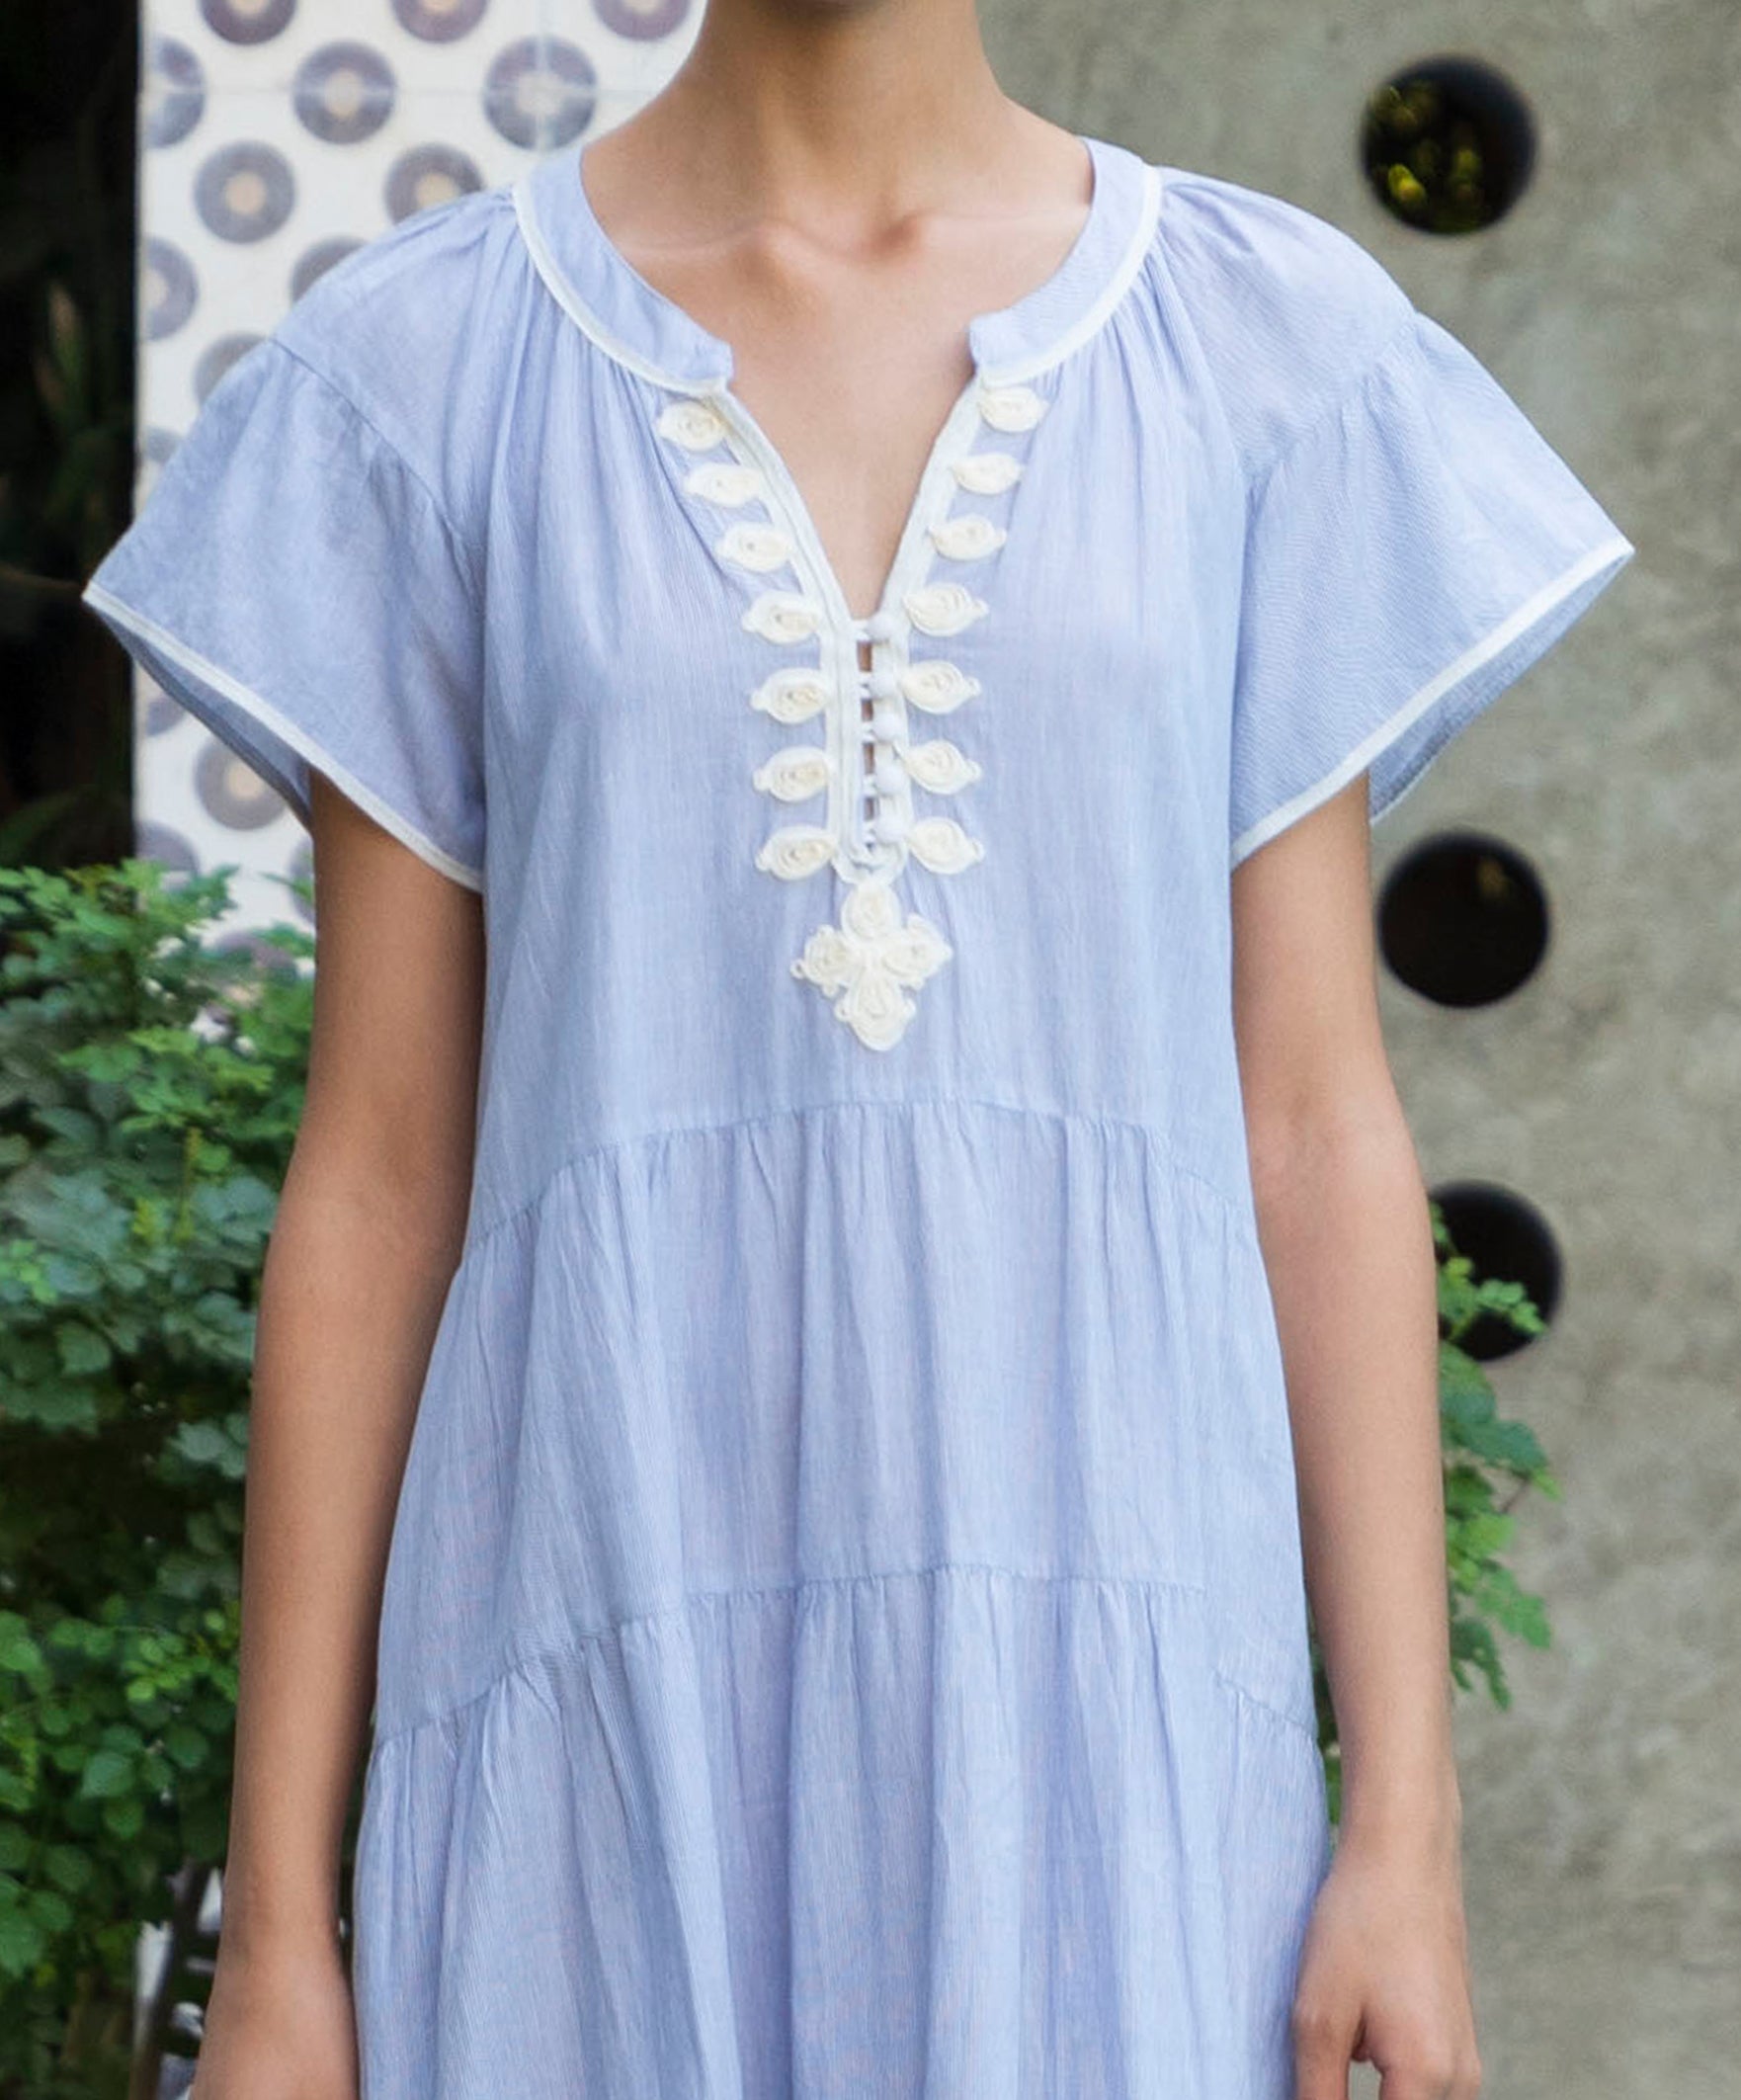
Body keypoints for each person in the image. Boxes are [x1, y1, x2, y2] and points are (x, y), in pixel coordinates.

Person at [81, 0, 1635, 2093]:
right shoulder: (427, 372)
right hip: (596, 1682)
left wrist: (1405, 1837)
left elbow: (1308, 1124)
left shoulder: (1252, 343)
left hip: (1118, 1715)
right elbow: (377, 1169)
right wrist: (279, 1928)